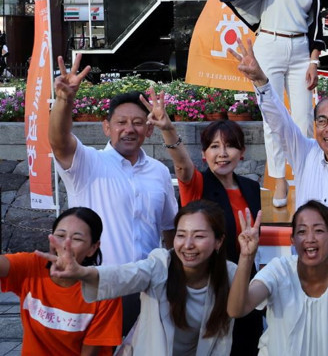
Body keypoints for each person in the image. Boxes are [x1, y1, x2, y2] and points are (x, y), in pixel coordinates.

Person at [230, 37, 328, 348]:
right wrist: (260, 81)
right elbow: (279, 122)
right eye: (322, 121)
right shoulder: (304, 155)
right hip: (298, 284)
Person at [48, 54, 178, 331]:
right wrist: (64, 100)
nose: (129, 129)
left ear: (149, 129)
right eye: (121, 122)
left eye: (137, 122)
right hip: (98, 287)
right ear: (106, 127)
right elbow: (58, 141)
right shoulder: (88, 163)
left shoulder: (158, 172)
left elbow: (169, 229)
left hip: (148, 290)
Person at [221, 0, 326, 206]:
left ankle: (304, 178)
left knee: (303, 120)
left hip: (299, 51)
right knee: (272, 118)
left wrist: (313, 62)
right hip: (268, 45)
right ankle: (279, 180)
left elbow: (317, 28)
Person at [144, 88, 263, 355]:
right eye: (214, 146)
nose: (223, 153)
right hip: (208, 287)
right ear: (204, 154)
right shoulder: (196, 184)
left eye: (230, 145)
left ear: (242, 152)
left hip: (243, 282)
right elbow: (182, 167)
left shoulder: (251, 188)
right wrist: (168, 129)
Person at [45, 200, 240, 356]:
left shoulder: (230, 274)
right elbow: (125, 275)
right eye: (181, 235)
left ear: (218, 241)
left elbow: (247, 304)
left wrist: (248, 256)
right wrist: (82, 272)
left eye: (198, 236)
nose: (187, 245)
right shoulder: (160, 264)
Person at [228, 201, 328, 355]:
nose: (310, 238)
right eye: (302, 231)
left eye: (318, 230)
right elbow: (236, 310)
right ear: (292, 240)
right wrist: (246, 256)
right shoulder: (279, 270)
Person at [1, 207, 121, 355]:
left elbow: (91, 352)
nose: (65, 245)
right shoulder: (32, 266)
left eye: (77, 239)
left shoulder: (104, 290)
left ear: (93, 248)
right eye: (60, 235)